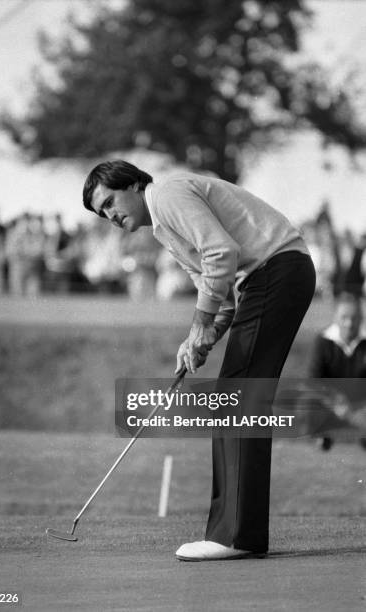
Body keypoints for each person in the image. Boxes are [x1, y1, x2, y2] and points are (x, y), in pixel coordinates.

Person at [82, 160, 316, 561]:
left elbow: (221, 252)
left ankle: (236, 536)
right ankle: (237, 533)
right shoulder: (163, 228)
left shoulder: (168, 195)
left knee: (238, 397)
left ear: (135, 184)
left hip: (275, 270)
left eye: (110, 202)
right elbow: (221, 294)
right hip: (272, 276)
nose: (110, 215)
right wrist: (202, 337)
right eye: (101, 213)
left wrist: (199, 326)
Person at [308, 292, 366, 451]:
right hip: (331, 402)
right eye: (344, 317)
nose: (349, 323)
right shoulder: (322, 341)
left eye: (354, 318)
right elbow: (314, 380)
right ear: (336, 317)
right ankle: (323, 437)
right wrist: (335, 403)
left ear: (361, 318)